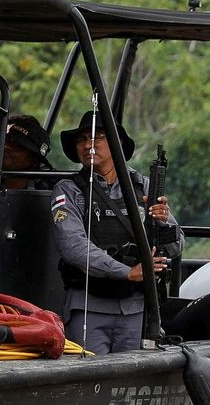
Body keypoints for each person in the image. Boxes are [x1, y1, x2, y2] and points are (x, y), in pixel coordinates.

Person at [50, 111, 183, 354]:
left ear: (117, 143)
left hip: (136, 309)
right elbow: (73, 247)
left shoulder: (143, 186)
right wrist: (126, 272)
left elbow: (177, 247)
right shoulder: (69, 190)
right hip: (89, 307)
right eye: (81, 140)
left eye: (97, 137)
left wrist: (162, 221)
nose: (88, 144)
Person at [1, 114, 53, 190]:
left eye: (18, 145)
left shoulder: (47, 192)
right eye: (7, 140)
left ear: (35, 159)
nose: (7, 146)